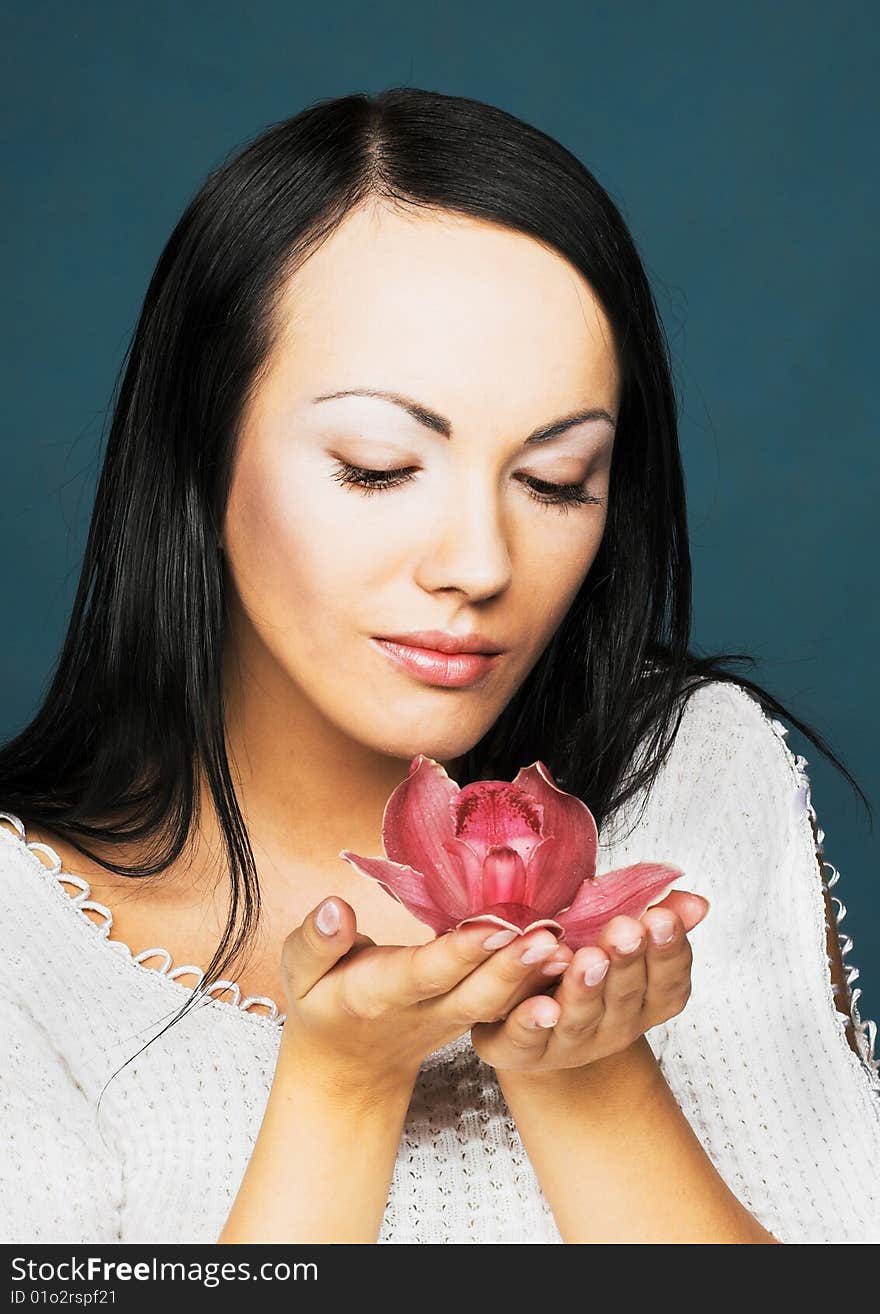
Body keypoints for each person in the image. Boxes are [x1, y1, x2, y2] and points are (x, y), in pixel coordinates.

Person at [1, 87, 877, 1246]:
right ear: (199, 457)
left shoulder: (701, 779)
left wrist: (586, 1073)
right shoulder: (25, 936)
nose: (479, 563)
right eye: (376, 467)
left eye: (557, 479)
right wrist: (342, 1087)